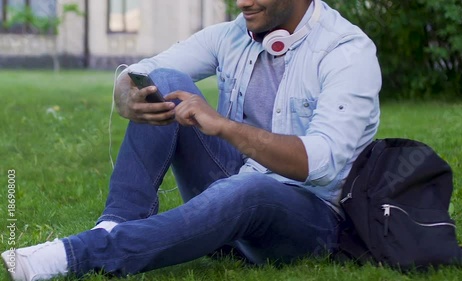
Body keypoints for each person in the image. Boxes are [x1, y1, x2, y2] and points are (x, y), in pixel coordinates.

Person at [2, 0, 381, 279]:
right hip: (238, 183)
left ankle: (76, 254)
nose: (242, 3)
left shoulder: (347, 52)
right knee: (163, 82)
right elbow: (146, 69)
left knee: (250, 190)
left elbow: (322, 161)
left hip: (310, 217)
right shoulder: (236, 34)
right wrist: (124, 92)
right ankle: (114, 224)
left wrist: (225, 126)